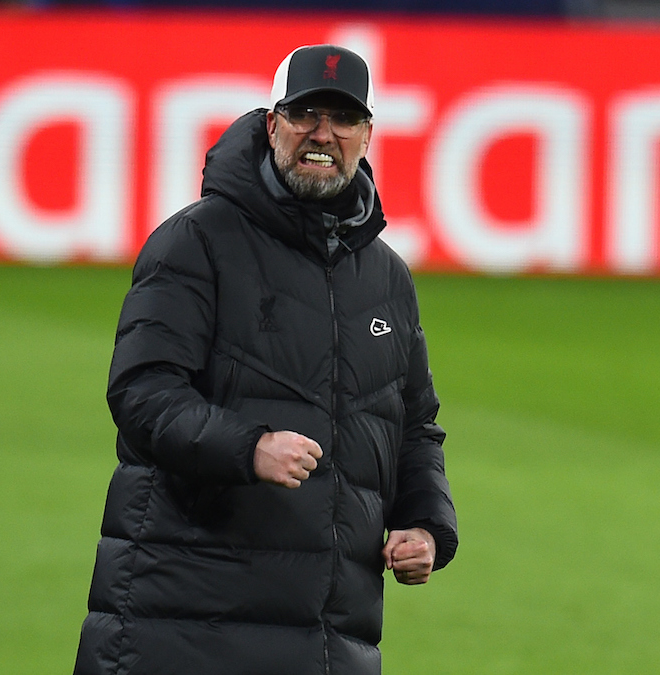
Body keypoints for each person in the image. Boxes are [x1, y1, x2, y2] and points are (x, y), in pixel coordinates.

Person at [73, 44, 457, 675]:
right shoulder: (197, 240)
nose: (322, 135)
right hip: (186, 620)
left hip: (328, 634)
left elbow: (412, 424)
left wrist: (425, 525)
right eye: (306, 114)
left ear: (368, 135)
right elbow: (142, 392)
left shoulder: (387, 277)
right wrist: (248, 446)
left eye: (342, 119)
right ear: (273, 123)